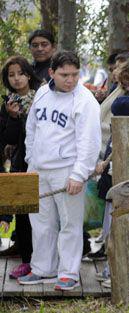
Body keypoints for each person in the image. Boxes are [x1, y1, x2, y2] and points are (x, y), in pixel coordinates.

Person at [17, 51, 101, 291]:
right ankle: (43, 268)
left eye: (75, 74)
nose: (71, 80)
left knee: (69, 224)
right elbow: (31, 128)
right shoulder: (42, 93)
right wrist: (31, 159)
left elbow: (90, 141)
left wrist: (79, 174)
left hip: (67, 171)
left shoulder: (85, 100)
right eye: (65, 75)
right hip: (39, 169)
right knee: (41, 223)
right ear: (52, 72)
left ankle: (68, 272)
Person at [94, 96, 129, 287]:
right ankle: (111, 269)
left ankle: (123, 273)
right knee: (110, 233)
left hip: (121, 193)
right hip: (111, 191)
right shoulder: (121, 133)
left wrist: (107, 169)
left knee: (121, 234)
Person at [0, 56, 43, 275]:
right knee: (24, 214)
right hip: (21, 163)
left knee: (47, 215)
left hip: (46, 162)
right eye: (11, 75)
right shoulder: (8, 102)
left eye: (20, 73)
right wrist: (13, 117)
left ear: (28, 74)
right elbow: (8, 138)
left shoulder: (44, 96)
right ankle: (27, 260)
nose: (16, 79)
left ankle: (48, 260)